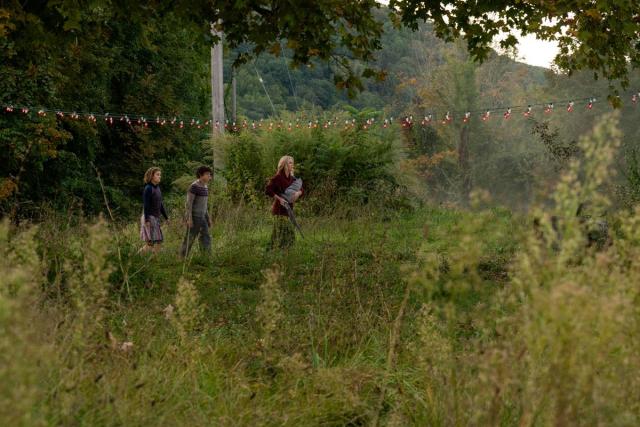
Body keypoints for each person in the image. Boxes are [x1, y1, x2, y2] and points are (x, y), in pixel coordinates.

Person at [265, 155, 304, 250]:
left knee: (287, 234)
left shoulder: (292, 178)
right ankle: (274, 251)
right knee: (281, 233)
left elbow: (302, 189)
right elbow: (268, 190)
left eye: (292, 163)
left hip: (289, 209)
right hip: (279, 209)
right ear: (285, 164)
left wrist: (298, 193)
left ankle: (284, 252)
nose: (292, 165)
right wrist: (279, 199)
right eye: (290, 162)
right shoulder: (278, 177)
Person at [180, 165, 212, 257]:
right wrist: (189, 219)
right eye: (207, 174)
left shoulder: (205, 187)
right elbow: (188, 204)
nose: (209, 176)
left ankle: (206, 257)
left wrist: (208, 218)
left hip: (203, 218)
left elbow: (205, 205)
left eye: (209, 174)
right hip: (194, 217)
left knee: (206, 237)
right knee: (190, 238)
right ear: (200, 175)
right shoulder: (194, 186)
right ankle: (182, 257)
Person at [140, 167, 168, 254]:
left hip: (155, 218)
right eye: (157, 174)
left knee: (153, 242)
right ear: (152, 176)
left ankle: (152, 258)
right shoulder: (148, 188)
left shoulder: (157, 188)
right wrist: (147, 220)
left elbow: (160, 204)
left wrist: (166, 218)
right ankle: (150, 258)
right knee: (156, 241)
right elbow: (146, 205)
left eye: (160, 175)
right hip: (149, 217)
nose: (160, 176)